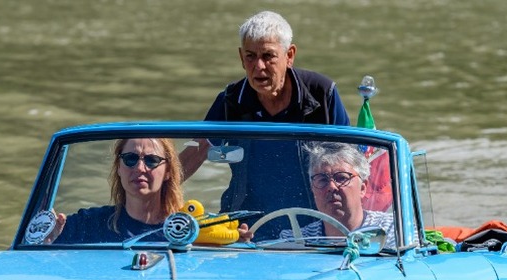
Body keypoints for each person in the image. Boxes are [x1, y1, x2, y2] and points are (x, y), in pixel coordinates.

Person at [180, 10, 350, 239]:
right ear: (241, 57)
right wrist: (156, 188)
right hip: (245, 229)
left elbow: (349, 164)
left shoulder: (322, 94)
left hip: (315, 228)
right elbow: (197, 151)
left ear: (289, 55)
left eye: (268, 56)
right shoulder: (232, 100)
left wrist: (344, 224)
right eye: (250, 56)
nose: (258, 66)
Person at [46, 138, 184, 244]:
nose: (140, 168)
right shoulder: (87, 226)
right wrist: (47, 241)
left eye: (151, 160)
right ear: (118, 168)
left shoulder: (188, 231)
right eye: (130, 158)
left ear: (168, 171)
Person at [279, 142, 396, 248]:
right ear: (312, 190)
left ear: (362, 188)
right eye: (322, 180)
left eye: (341, 178)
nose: (331, 187)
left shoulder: (393, 231)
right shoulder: (294, 240)